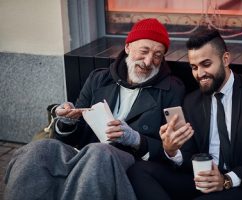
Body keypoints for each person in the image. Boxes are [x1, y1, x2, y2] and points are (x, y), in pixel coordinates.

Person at [4, 18, 185, 200]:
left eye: (158, 55)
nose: (148, 61)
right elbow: (76, 135)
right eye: (144, 51)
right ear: (128, 47)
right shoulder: (99, 79)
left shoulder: (172, 89)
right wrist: (68, 122)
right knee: (38, 150)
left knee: (99, 152)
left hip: (127, 161)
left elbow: (175, 149)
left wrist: (135, 139)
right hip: (84, 152)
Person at [127, 29, 242, 200]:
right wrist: (172, 151)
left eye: (206, 64)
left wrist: (226, 180)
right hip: (204, 180)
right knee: (139, 171)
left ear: (225, 59)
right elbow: (189, 156)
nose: (199, 73)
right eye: (194, 67)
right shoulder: (191, 101)